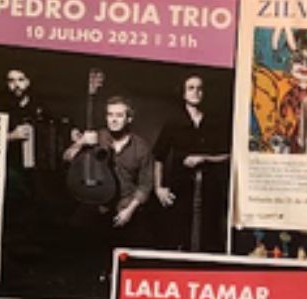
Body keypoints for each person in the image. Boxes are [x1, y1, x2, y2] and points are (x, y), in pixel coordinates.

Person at [153, 74, 231, 252]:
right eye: (191, 88)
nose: (196, 92)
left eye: (199, 88)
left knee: (208, 235)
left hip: (210, 189)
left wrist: (204, 158)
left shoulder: (214, 122)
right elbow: (158, 157)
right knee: (179, 235)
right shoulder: (173, 122)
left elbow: (228, 156)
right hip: (180, 188)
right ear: (183, 93)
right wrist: (159, 188)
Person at [64, 95, 153, 238]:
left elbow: (145, 184)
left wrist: (129, 211)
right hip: (97, 201)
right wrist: (81, 142)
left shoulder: (141, 147)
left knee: (136, 236)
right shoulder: (96, 137)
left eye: (119, 115)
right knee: (74, 230)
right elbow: (67, 158)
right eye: (110, 115)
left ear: (129, 119)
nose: (113, 120)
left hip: (125, 203)